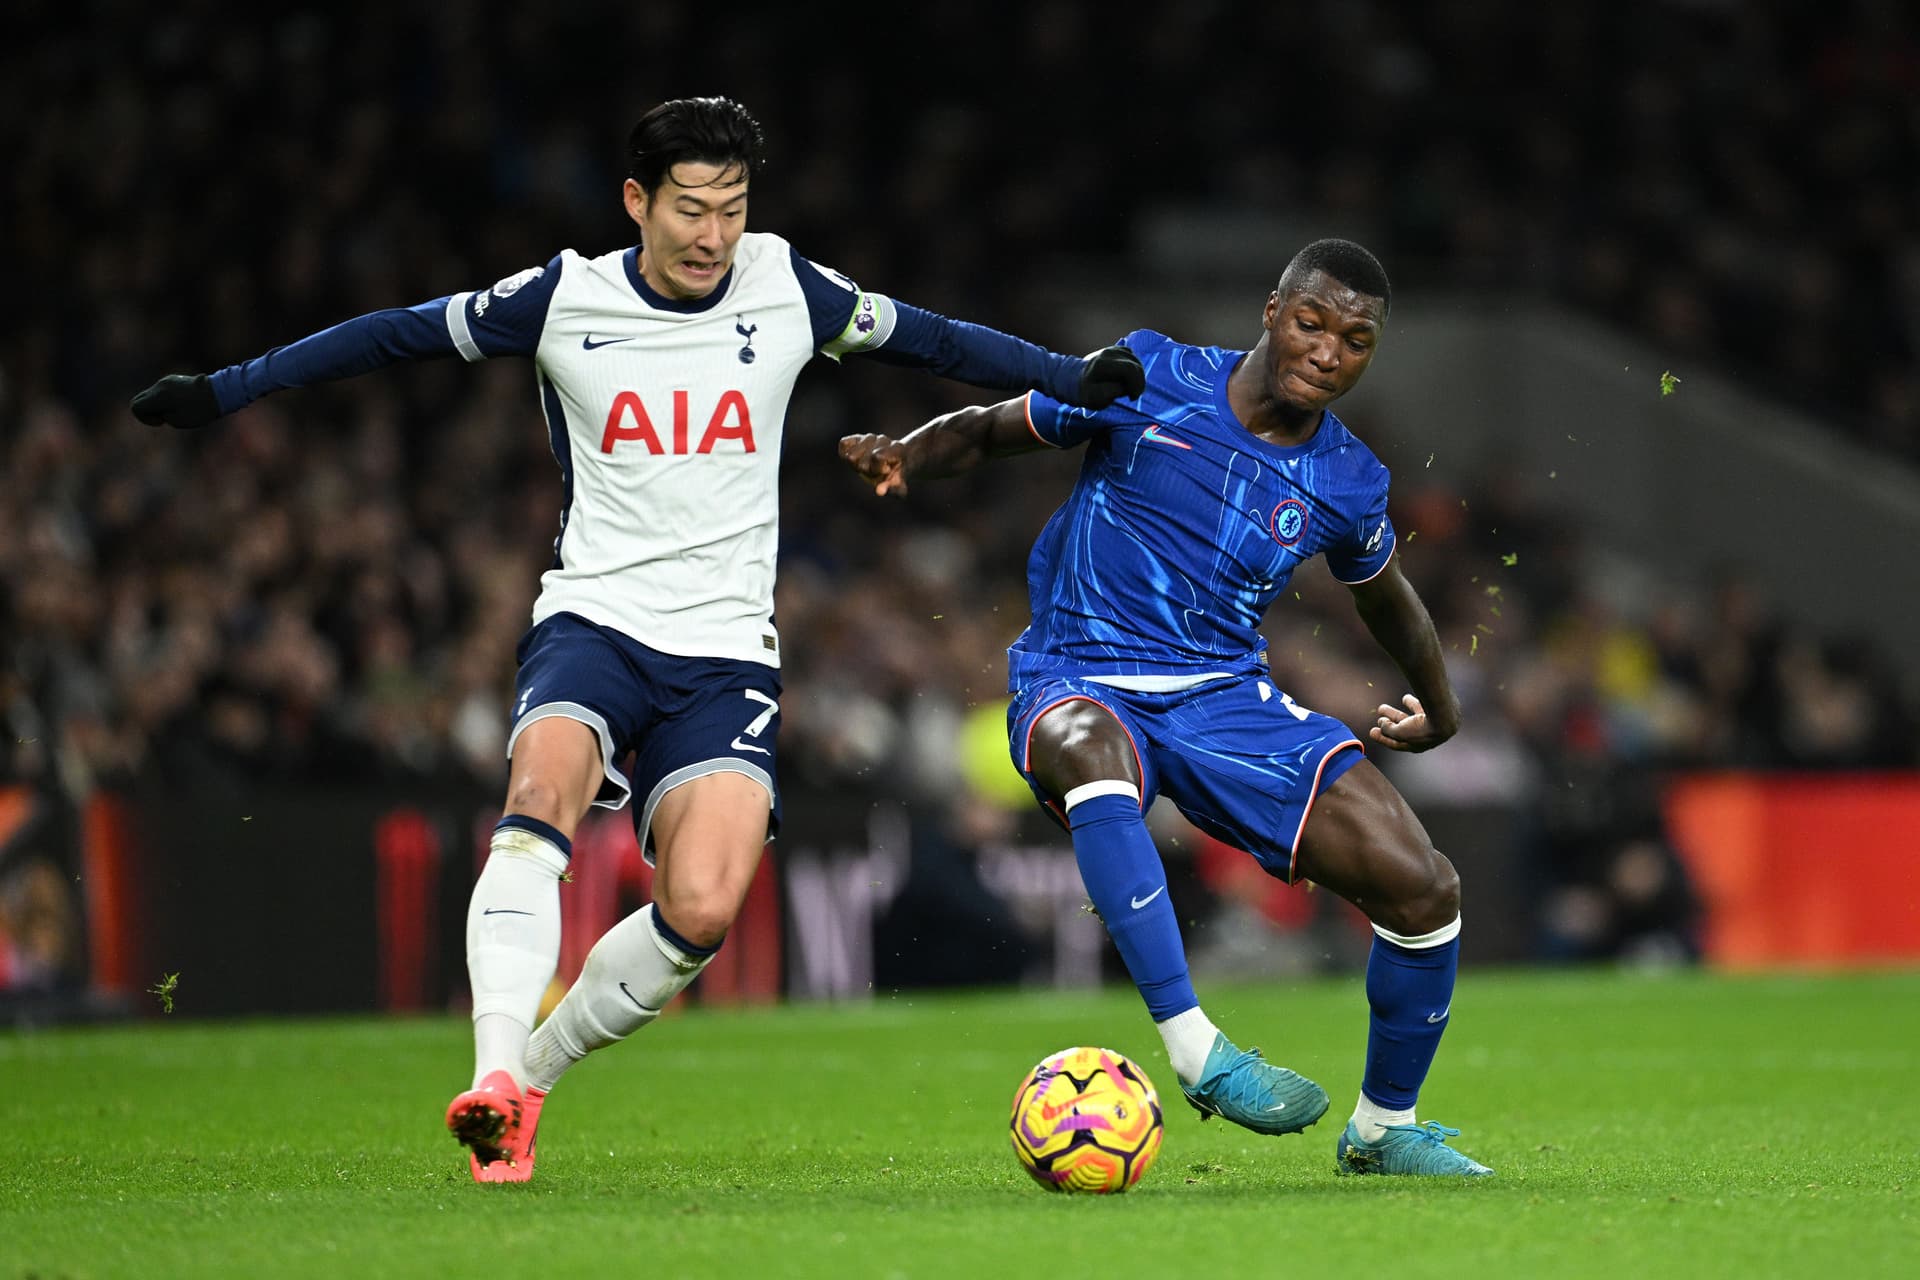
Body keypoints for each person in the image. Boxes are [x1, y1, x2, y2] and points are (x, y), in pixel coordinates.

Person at [130, 96, 1145, 1183]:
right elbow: (390, 336)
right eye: (692, 210)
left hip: (726, 654)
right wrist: (228, 389)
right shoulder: (565, 296)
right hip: (594, 621)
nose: (714, 235)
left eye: (733, 209)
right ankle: (486, 1066)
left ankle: (527, 1084)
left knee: (702, 906)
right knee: (540, 798)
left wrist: (1067, 372)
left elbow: (937, 339)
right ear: (637, 202)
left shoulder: (788, 285)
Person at [839, 239, 1492, 1176]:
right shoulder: (1150, 374)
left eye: (1355, 341)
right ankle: (1195, 1049)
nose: (1327, 353)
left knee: (1424, 887)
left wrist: (1441, 704)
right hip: (1080, 668)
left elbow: (1386, 596)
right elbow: (994, 427)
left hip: (1225, 694)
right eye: (1312, 324)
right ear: (1272, 312)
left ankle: (1384, 1129)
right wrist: (907, 456)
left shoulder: (1349, 478)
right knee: (1089, 752)